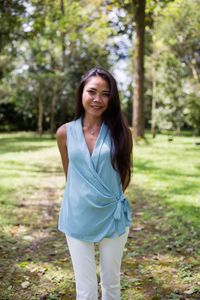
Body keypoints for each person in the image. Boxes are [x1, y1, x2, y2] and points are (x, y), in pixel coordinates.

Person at [56, 67, 133, 300]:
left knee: (111, 284)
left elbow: (124, 175)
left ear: (112, 98)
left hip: (112, 216)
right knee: (86, 290)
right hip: (77, 215)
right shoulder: (64, 133)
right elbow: (71, 175)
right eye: (92, 91)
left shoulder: (122, 133)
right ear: (82, 93)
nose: (98, 99)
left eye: (106, 94)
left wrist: (108, 199)